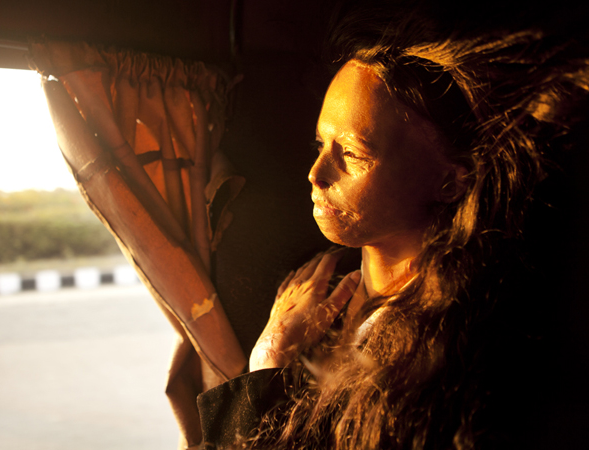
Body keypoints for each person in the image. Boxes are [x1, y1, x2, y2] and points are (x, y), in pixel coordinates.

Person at [198, 2, 589, 448]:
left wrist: (266, 370)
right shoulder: (314, 296)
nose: (315, 174)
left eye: (352, 154)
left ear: (449, 180)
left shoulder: (453, 359)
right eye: (320, 144)